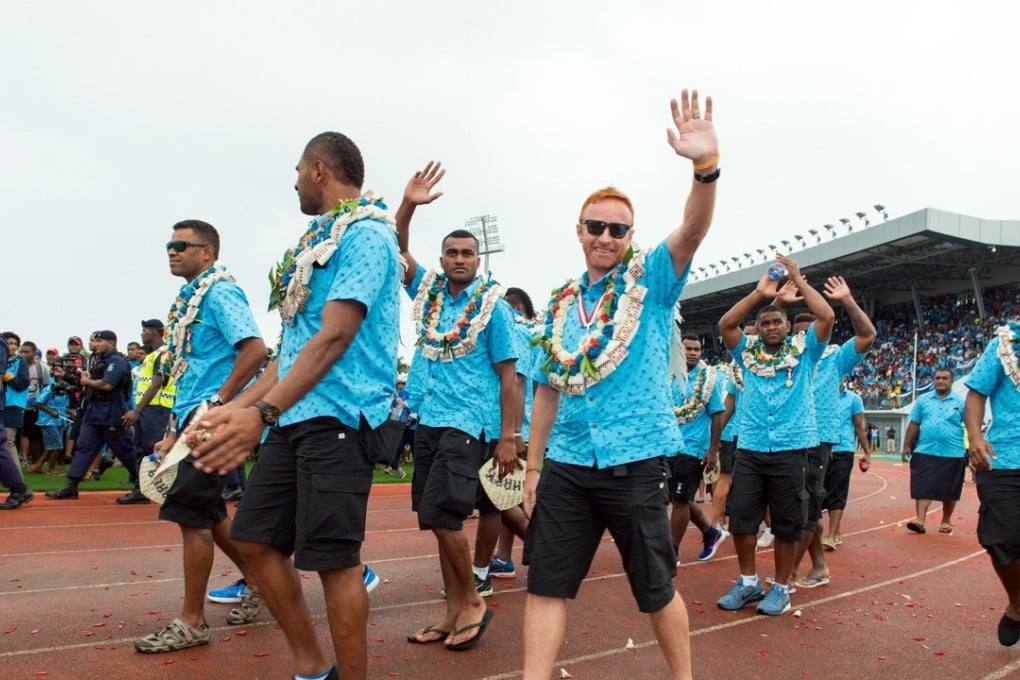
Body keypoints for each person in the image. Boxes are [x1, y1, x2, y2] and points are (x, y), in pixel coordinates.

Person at [188, 132, 402, 680]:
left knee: (335, 561)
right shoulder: (317, 239)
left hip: (340, 418)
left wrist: (257, 415)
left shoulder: (369, 235)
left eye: (299, 170)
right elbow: (293, 351)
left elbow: (334, 338)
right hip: (296, 413)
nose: (294, 182)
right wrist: (237, 407)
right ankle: (313, 668)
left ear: (320, 169)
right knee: (254, 540)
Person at [522, 88, 718, 680]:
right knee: (547, 584)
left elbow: (692, 230)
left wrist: (705, 169)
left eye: (618, 229)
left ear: (630, 237)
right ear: (579, 231)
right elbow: (546, 392)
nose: (607, 236)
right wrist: (532, 469)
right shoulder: (557, 307)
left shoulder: (651, 283)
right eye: (597, 226)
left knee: (655, 587)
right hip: (567, 463)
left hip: (634, 461)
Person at [395, 161, 520, 648]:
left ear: (477, 260)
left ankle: (471, 601)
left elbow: (510, 377)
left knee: (447, 517)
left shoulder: (495, 306)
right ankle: (452, 611)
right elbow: (399, 249)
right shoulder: (427, 291)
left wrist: (508, 437)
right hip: (429, 419)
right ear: (442, 258)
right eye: (452, 252)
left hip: (470, 423)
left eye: (468, 252)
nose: (460, 259)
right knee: (434, 520)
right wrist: (408, 204)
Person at [132, 220, 267, 654]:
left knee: (193, 517)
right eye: (168, 245)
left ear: (207, 253)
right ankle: (262, 582)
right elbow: (188, 371)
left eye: (180, 245)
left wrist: (218, 403)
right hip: (191, 421)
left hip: (211, 423)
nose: (171, 252)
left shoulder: (220, 292)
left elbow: (255, 349)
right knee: (208, 515)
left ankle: (192, 622)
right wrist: (172, 432)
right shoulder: (189, 299)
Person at [715, 253, 834, 617]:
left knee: (786, 522)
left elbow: (826, 316)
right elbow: (726, 323)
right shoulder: (746, 353)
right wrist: (760, 294)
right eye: (765, 322)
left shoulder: (806, 352)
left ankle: (781, 587)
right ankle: (749, 582)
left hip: (792, 449)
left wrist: (798, 277)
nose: (770, 327)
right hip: (750, 448)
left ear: (787, 327)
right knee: (743, 518)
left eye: (776, 322)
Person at [789, 275, 876, 589]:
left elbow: (867, 334)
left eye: (809, 334)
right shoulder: (784, 360)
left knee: (807, 508)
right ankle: (820, 565)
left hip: (818, 441)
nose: (805, 343)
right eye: (797, 336)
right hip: (787, 442)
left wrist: (848, 301)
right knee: (799, 509)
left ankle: (789, 575)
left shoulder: (835, 358)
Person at [964, 320, 1020, 646]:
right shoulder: (1004, 343)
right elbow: (976, 393)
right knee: (1001, 538)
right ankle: (1017, 603)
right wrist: (975, 436)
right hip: (1005, 458)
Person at [45, 331, 136, 499]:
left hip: (112, 412)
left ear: (111, 342)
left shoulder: (117, 361)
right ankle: (71, 485)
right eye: (94, 341)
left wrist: (87, 381)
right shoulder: (99, 361)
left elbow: (107, 385)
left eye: (99, 341)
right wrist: (65, 376)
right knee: (84, 446)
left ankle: (140, 484)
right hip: (94, 411)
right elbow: (85, 386)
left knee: (124, 449)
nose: (95, 344)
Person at [670, 334, 726, 563]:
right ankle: (710, 532)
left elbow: (718, 414)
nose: (693, 352)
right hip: (667, 445)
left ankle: (671, 551)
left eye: (697, 349)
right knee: (676, 498)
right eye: (688, 348)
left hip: (692, 448)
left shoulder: (708, 379)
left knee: (681, 500)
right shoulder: (668, 375)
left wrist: (713, 450)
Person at [118, 319, 175, 505]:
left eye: (145, 330)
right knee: (140, 448)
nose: (142, 333)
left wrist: (137, 410)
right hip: (149, 407)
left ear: (155, 332)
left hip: (156, 407)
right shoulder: (152, 354)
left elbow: (156, 383)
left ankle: (157, 488)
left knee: (151, 448)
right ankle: (142, 489)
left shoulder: (163, 353)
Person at [902, 368, 966, 534]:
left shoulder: (960, 401)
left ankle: (946, 521)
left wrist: (974, 446)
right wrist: (906, 445)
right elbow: (914, 423)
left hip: (953, 452)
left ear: (951, 381)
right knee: (922, 486)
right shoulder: (923, 400)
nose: (940, 381)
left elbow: (972, 424)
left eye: (945, 378)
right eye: (937, 378)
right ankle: (920, 520)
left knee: (950, 489)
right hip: (925, 450)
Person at [822, 384, 869, 550]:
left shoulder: (854, 399)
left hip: (843, 450)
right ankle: (834, 531)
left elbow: (859, 427)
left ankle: (832, 535)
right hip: (820, 448)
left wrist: (867, 452)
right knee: (818, 492)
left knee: (837, 491)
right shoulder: (819, 394)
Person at [0, 337, 34, 509]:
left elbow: (21, 384)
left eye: (14, 344)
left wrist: (7, 377)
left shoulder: (19, 362)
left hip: (13, 406)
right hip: (4, 404)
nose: (12, 346)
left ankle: (18, 485)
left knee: (6, 442)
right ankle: (17, 485)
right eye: (10, 343)